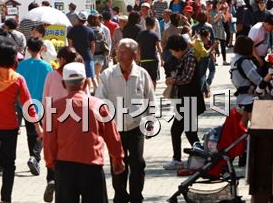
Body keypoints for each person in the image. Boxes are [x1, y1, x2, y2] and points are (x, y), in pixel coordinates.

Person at [44, 62, 125, 203]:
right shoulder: (98, 105)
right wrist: (117, 158)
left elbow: (49, 139)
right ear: (86, 83)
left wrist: (50, 162)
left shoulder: (54, 108)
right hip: (92, 167)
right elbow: (112, 136)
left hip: (64, 167)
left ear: (64, 84)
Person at [0, 44, 42, 203]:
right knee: (9, 163)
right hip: (9, 126)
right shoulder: (18, 79)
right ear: (13, 59)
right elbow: (28, 105)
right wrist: (37, 125)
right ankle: (6, 197)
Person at [96, 39, 156, 203]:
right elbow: (99, 100)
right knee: (118, 163)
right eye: (118, 52)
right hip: (114, 128)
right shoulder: (108, 74)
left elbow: (150, 98)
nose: (119, 55)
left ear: (135, 54)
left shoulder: (142, 74)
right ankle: (120, 196)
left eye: (123, 52)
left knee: (137, 164)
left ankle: (137, 197)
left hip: (136, 126)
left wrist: (150, 122)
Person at [40, 47, 82, 202]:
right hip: (75, 120)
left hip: (54, 118)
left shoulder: (51, 75)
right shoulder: (78, 74)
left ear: (63, 59)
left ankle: (51, 178)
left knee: (52, 150)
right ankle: (69, 181)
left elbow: (45, 98)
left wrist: (44, 122)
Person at [163, 35, 206, 170]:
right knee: (188, 131)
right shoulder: (185, 58)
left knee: (181, 131)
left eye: (173, 51)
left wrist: (173, 80)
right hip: (185, 100)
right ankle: (201, 157)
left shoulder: (189, 58)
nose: (172, 54)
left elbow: (187, 78)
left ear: (178, 48)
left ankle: (188, 158)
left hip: (190, 100)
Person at [16, 38, 52, 177]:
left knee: (31, 133)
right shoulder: (46, 66)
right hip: (41, 104)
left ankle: (33, 157)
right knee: (42, 132)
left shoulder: (22, 66)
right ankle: (35, 157)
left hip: (25, 104)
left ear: (28, 49)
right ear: (41, 49)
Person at [230, 36, 262, 126]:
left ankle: (242, 140)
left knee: (242, 127)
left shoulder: (234, 60)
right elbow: (256, 79)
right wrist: (265, 83)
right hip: (250, 98)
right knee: (256, 127)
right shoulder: (244, 61)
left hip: (242, 97)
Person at [67, 10, 96, 90]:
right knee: (91, 76)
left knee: (77, 77)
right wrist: (91, 55)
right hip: (88, 56)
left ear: (77, 18)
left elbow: (70, 44)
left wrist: (72, 55)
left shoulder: (72, 30)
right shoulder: (90, 30)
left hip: (76, 57)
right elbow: (93, 45)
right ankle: (93, 92)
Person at [136, 17, 162, 87]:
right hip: (153, 59)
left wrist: (138, 58)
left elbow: (138, 47)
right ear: (154, 25)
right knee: (153, 79)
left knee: (145, 79)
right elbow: (159, 48)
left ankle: (146, 95)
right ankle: (152, 94)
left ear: (145, 24)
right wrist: (162, 60)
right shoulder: (155, 35)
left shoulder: (141, 34)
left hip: (144, 60)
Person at [88, 13, 111, 85]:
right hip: (101, 55)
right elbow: (107, 42)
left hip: (91, 55)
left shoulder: (88, 30)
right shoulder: (103, 30)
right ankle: (98, 91)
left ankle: (95, 91)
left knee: (92, 76)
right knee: (97, 74)